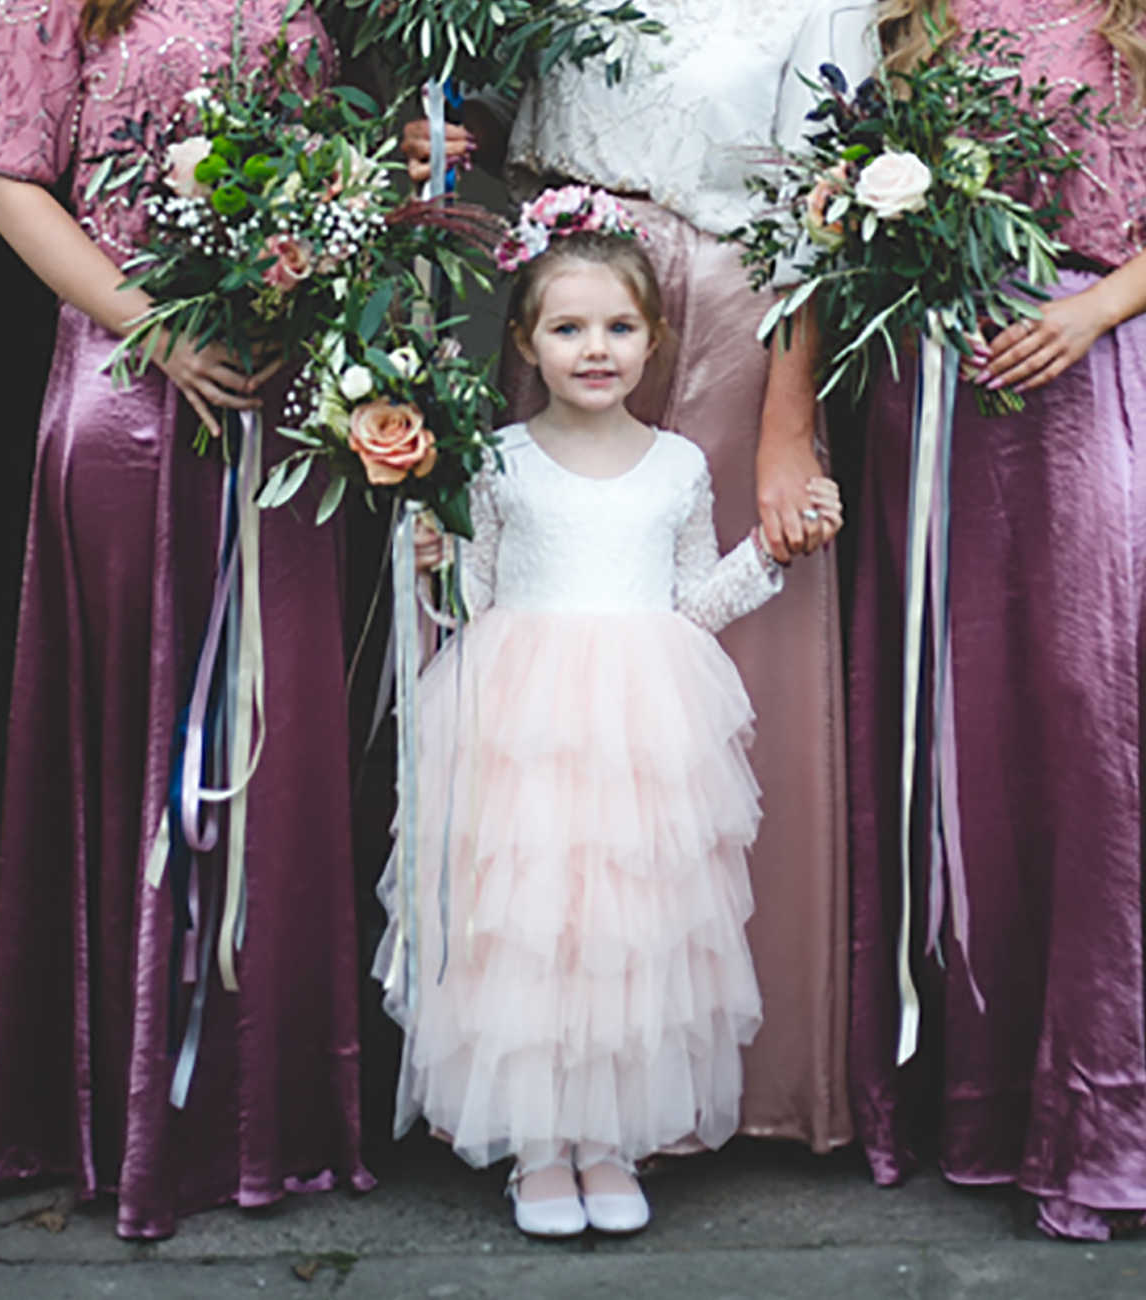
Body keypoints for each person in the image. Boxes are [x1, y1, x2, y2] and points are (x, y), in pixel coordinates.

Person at [402, 0, 879, 1158]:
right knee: (553, 697)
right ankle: (546, 1081)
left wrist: (787, 424)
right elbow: (497, 108)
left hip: (724, 310)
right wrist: (430, 138)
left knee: (696, 686)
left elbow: (829, 205)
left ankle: (711, 1077)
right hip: (570, 296)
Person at [0, 0, 372, 1238]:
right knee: (144, 747)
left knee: (278, 741)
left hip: (286, 400)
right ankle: (130, 1113)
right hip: (128, 392)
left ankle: (273, 1119)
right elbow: (10, 184)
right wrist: (155, 321)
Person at [375, 190, 844, 1237]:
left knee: (624, 932)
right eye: (568, 328)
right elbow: (474, 604)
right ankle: (539, 1147)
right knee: (535, 928)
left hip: (643, 725)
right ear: (528, 343)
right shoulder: (496, 462)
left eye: (620, 328)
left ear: (655, 341)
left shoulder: (678, 467)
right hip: (520, 720)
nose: (597, 349)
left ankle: (607, 1139)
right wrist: (433, 564)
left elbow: (691, 606)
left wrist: (769, 551)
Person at [849, 0, 1146, 1240]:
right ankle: (978, 1101)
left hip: (1098, 359)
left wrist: (1093, 309)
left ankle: (1107, 1110)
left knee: (1097, 717)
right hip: (942, 396)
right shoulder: (913, 23)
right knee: (969, 732)